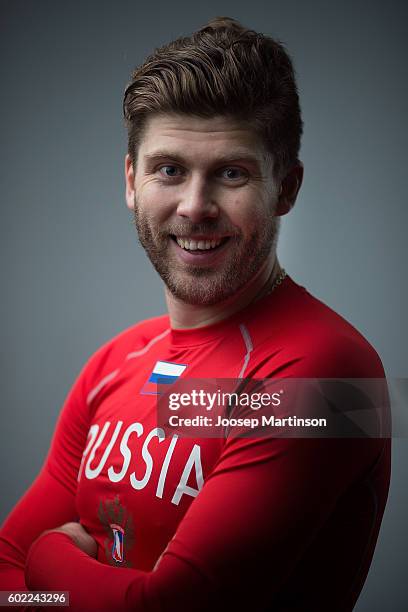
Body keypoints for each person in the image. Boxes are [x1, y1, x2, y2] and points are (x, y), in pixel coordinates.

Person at [0, 16, 390, 611]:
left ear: (286, 188)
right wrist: (42, 595)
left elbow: (171, 607)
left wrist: (49, 560)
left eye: (231, 173)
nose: (195, 206)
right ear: (132, 181)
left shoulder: (335, 377)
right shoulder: (115, 362)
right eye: (169, 169)